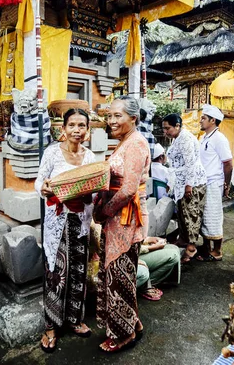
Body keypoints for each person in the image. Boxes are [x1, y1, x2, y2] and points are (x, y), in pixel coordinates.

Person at [35, 108, 96, 353]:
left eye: (82, 125)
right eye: (72, 125)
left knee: (78, 272)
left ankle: (74, 319)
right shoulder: (52, 153)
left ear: (88, 130)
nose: (77, 130)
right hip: (57, 222)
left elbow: (94, 188)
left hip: (80, 221)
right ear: (63, 128)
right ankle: (50, 325)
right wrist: (46, 188)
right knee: (55, 273)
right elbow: (39, 182)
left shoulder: (90, 157)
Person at [94, 97, 150, 353]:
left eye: (118, 116)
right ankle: (133, 324)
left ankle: (124, 333)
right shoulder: (124, 144)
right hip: (116, 222)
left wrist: (105, 210)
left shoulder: (136, 144)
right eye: (109, 116)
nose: (112, 121)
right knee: (118, 276)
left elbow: (128, 190)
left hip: (125, 222)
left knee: (119, 279)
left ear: (133, 118)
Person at [162, 113, 208, 263]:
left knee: (191, 213)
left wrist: (189, 185)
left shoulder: (186, 139)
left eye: (167, 128)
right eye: (163, 129)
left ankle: (191, 247)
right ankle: (182, 239)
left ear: (177, 126)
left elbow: (190, 163)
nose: (165, 132)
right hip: (180, 181)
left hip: (193, 181)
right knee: (182, 212)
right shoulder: (176, 139)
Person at [199, 105, 233, 261]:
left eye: (204, 118)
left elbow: (228, 163)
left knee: (214, 215)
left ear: (213, 120)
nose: (201, 120)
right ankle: (206, 250)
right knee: (204, 216)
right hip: (203, 182)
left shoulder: (220, 139)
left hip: (214, 182)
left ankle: (217, 251)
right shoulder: (203, 138)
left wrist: (227, 184)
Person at [136, 236, 181, 301]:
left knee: (174, 248)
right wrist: (150, 247)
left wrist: (148, 239)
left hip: (138, 248)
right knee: (174, 255)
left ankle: (151, 281)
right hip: (131, 254)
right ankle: (145, 285)